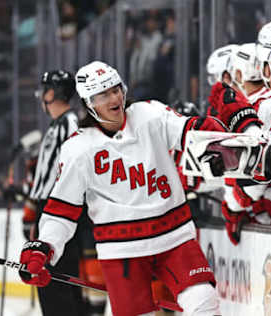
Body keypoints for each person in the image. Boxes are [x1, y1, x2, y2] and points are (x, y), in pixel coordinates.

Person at [19, 61, 226, 316]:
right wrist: (44, 248)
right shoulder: (78, 149)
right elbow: (62, 210)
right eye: (103, 94)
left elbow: (190, 130)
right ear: (89, 103)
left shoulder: (150, 114)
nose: (114, 97)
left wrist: (216, 135)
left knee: (204, 302)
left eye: (116, 89)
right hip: (122, 251)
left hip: (174, 238)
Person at [27, 70, 84, 316]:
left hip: (60, 210)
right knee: (48, 282)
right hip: (47, 209)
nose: (41, 95)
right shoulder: (56, 125)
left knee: (55, 281)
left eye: (45, 89)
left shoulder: (69, 124)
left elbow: (70, 172)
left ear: (52, 92)